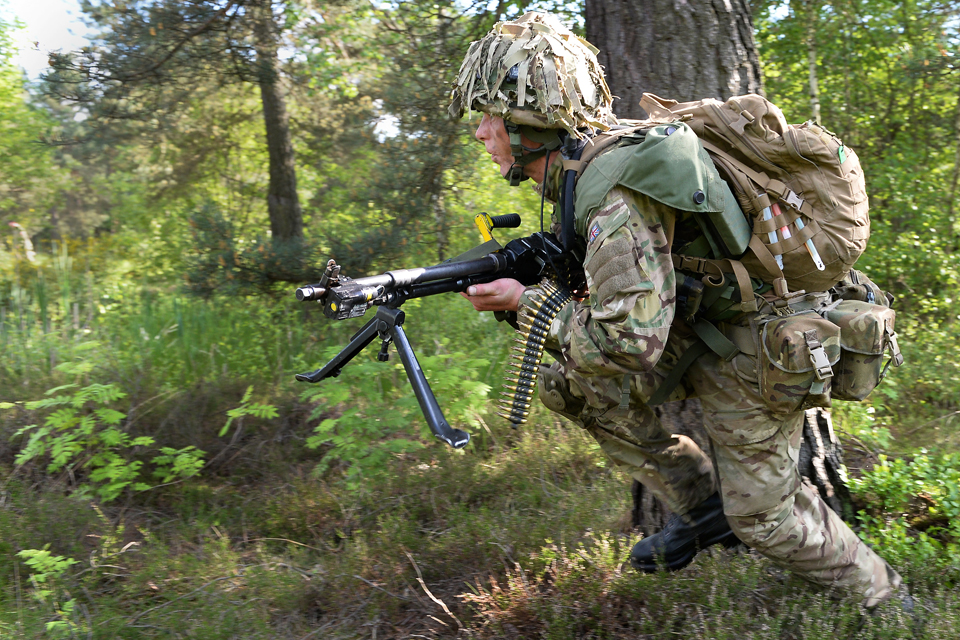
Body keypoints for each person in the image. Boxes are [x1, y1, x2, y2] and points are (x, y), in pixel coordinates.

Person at [450, 11, 904, 608]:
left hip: (756, 348)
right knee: (574, 386)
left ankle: (889, 602)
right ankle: (703, 506)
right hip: (702, 330)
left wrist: (532, 304)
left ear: (532, 119)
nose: (481, 133)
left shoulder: (612, 191)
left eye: (490, 117)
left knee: (766, 522)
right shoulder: (585, 169)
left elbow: (629, 343)